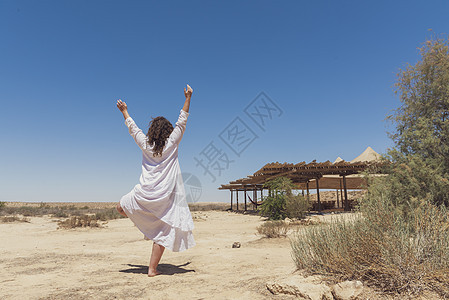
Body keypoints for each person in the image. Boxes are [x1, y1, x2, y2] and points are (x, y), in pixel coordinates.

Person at [116, 85, 196, 277]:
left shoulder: (146, 145)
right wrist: (188, 97)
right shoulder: (172, 143)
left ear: (152, 131)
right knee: (161, 232)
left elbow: (133, 130)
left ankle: (145, 224)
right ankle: (152, 269)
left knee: (120, 207)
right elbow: (182, 122)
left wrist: (124, 111)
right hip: (165, 197)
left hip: (145, 193)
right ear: (167, 131)